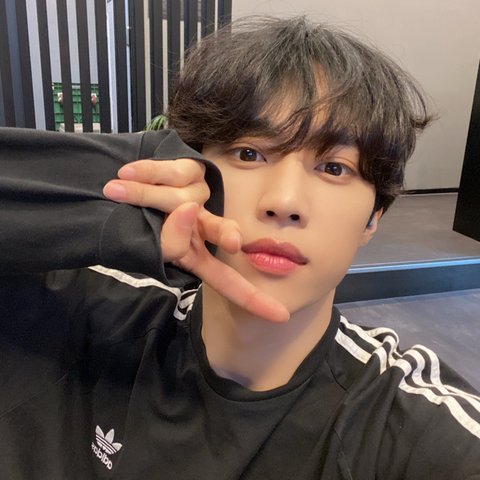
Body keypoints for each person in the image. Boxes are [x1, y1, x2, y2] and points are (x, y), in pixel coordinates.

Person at [0, 16, 479, 480]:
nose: (284, 203)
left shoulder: (411, 427)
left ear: (374, 217)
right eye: (249, 154)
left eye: (334, 168)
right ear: (191, 168)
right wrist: (109, 181)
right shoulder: (87, 309)